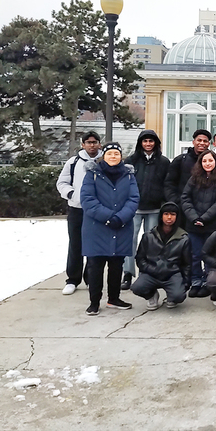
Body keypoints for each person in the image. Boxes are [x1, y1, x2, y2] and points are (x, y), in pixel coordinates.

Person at [80, 142, 140, 316]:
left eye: (116, 154)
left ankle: (114, 298)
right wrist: (108, 217)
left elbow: (134, 199)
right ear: (103, 156)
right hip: (97, 228)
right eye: (109, 154)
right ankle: (94, 302)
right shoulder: (93, 174)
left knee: (116, 265)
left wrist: (120, 217)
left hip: (121, 226)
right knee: (95, 266)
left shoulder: (128, 175)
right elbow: (87, 199)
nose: (113, 156)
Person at [122, 129, 170, 290]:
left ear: (156, 143)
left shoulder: (163, 162)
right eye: (145, 141)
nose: (148, 144)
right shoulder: (131, 161)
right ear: (140, 143)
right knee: (130, 241)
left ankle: (148, 273)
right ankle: (127, 273)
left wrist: (164, 203)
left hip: (155, 208)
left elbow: (167, 184)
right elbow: (124, 184)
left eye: (151, 141)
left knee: (152, 243)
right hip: (134, 209)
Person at [56, 131, 100, 295]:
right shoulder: (73, 162)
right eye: (88, 142)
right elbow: (62, 182)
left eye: (94, 142)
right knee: (76, 244)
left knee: (94, 245)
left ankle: (91, 278)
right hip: (77, 209)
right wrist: (71, 194)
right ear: (82, 145)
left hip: (97, 210)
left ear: (99, 144)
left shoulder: (104, 161)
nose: (91, 145)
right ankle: (73, 279)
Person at [181, 149, 216, 297]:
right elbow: (185, 198)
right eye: (204, 161)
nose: (207, 163)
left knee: (209, 255)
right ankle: (196, 282)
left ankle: (208, 281)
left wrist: (205, 218)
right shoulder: (194, 178)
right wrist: (194, 217)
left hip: (212, 225)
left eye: (210, 160)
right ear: (200, 163)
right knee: (195, 255)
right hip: (193, 224)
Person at [130, 201, 191, 310]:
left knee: (179, 295)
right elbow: (140, 259)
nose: (169, 217)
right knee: (136, 288)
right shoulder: (148, 236)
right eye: (166, 214)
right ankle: (152, 295)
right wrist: (150, 269)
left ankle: (172, 297)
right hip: (152, 273)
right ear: (161, 216)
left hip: (172, 274)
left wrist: (185, 283)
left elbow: (187, 263)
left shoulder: (183, 238)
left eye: (173, 214)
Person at [164, 129, 212, 207]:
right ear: (193, 142)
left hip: (206, 207)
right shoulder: (180, 160)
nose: (202, 143)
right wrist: (175, 201)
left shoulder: (213, 162)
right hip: (183, 205)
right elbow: (169, 183)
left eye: (205, 141)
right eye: (199, 140)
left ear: (208, 144)